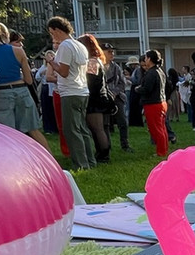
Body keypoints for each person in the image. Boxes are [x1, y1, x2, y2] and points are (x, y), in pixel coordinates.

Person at [0, 22, 51, 151]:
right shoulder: (18, 51)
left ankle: (14, 164)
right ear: (5, 36)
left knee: (7, 133)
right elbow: (29, 80)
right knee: (33, 130)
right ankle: (52, 162)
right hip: (22, 92)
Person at [46, 16, 96, 170]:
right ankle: (90, 160)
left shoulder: (65, 46)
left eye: (51, 32)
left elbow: (63, 71)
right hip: (82, 91)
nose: (52, 36)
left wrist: (51, 61)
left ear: (56, 30)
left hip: (70, 92)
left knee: (71, 130)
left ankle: (81, 164)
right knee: (82, 128)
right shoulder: (79, 45)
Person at [76, 33, 112, 163]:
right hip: (99, 97)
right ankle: (102, 152)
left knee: (98, 129)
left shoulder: (92, 62)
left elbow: (91, 81)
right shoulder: (97, 60)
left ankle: (103, 154)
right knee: (98, 129)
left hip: (95, 98)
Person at [136, 49, 169, 158]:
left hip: (153, 104)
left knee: (156, 129)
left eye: (145, 58)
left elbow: (147, 89)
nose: (144, 60)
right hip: (161, 102)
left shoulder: (151, 72)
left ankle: (161, 151)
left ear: (149, 59)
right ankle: (163, 149)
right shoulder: (160, 71)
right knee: (162, 128)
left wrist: (137, 89)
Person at [101, 43, 132, 152]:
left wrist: (114, 93)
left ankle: (125, 145)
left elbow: (122, 83)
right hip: (103, 98)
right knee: (105, 124)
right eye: (109, 51)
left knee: (122, 122)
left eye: (112, 51)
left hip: (117, 97)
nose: (112, 54)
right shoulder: (97, 66)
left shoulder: (116, 67)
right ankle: (106, 146)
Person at [127, 55, 145, 129]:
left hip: (136, 88)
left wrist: (129, 78)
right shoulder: (136, 70)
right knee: (133, 106)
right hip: (134, 88)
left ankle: (136, 122)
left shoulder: (137, 70)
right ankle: (134, 122)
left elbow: (138, 80)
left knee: (135, 105)